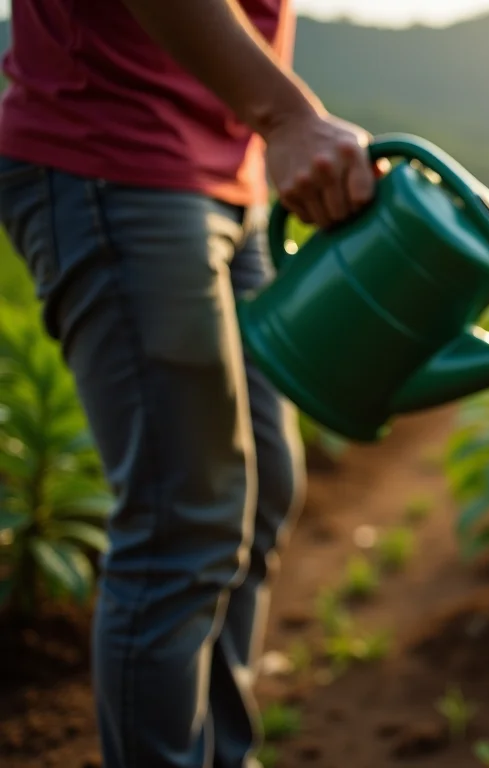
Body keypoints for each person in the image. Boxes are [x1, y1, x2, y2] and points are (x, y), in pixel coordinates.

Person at [0, 2, 376, 766]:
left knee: (264, 482)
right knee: (183, 519)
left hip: (222, 176)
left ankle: (214, 756)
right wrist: (287, 114)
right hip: (112, 153)